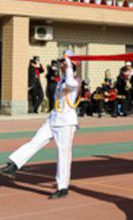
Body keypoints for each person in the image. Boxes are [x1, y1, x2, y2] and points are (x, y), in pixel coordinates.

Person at [0, 51, 80, 199]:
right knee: (35, 142)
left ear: (71, 65)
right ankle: (13, 165)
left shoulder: (74, 81)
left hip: (66, 123)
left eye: (64, 62)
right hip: (53, 119)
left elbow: (70, 83)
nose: (61, 64)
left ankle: (62, 187)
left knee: (63, 154)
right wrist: (67, 64)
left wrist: (69, 64)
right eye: (62, 61)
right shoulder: (61, 80)